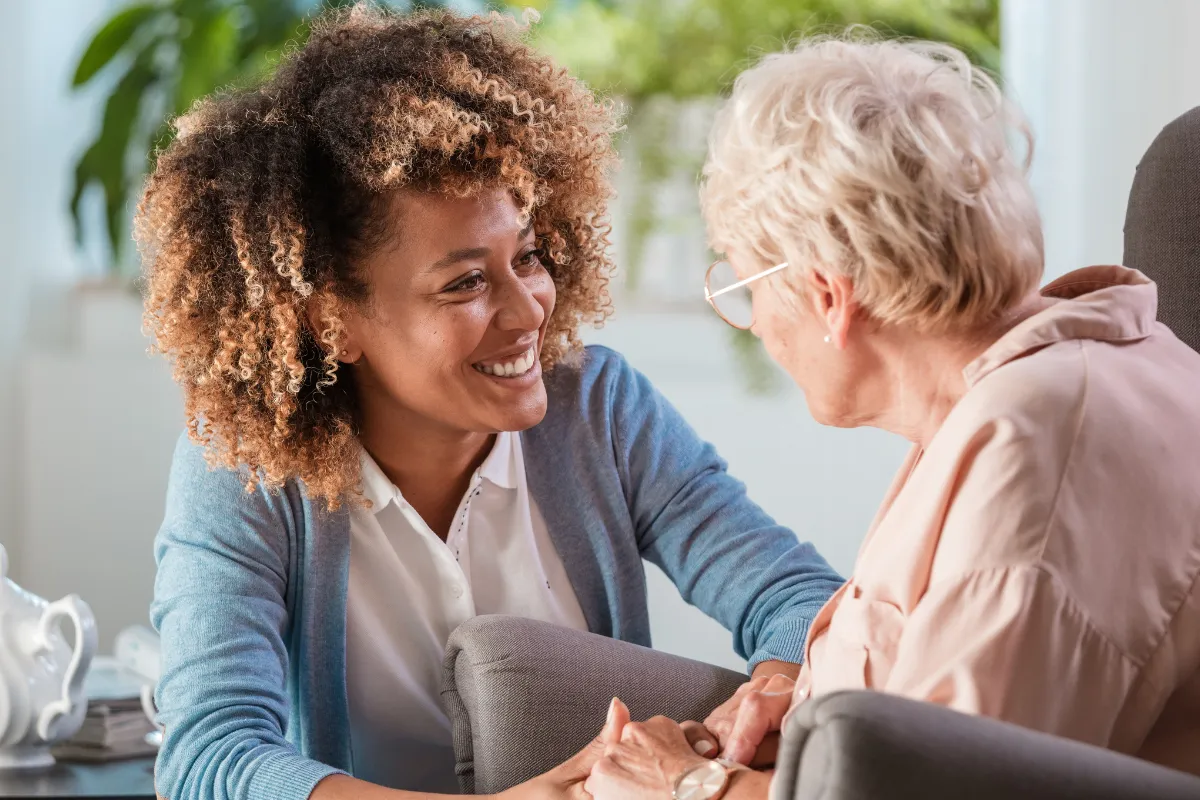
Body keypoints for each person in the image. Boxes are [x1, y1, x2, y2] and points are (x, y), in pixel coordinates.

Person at [138, 7, 845, 800]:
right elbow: (211, 758)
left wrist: (770, 699)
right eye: (466, 282)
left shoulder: (601, 411)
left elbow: (799, 598)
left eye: (529, 256)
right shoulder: (244, 470)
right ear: (332, 321)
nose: (529, 309)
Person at [583, 34, 1200, 800]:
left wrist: (691, 784)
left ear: (826, 293)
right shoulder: (1026, 392)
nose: (759, 327)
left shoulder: (1034, 450)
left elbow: (946, 787)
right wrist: (819, 716)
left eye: (746, 289)